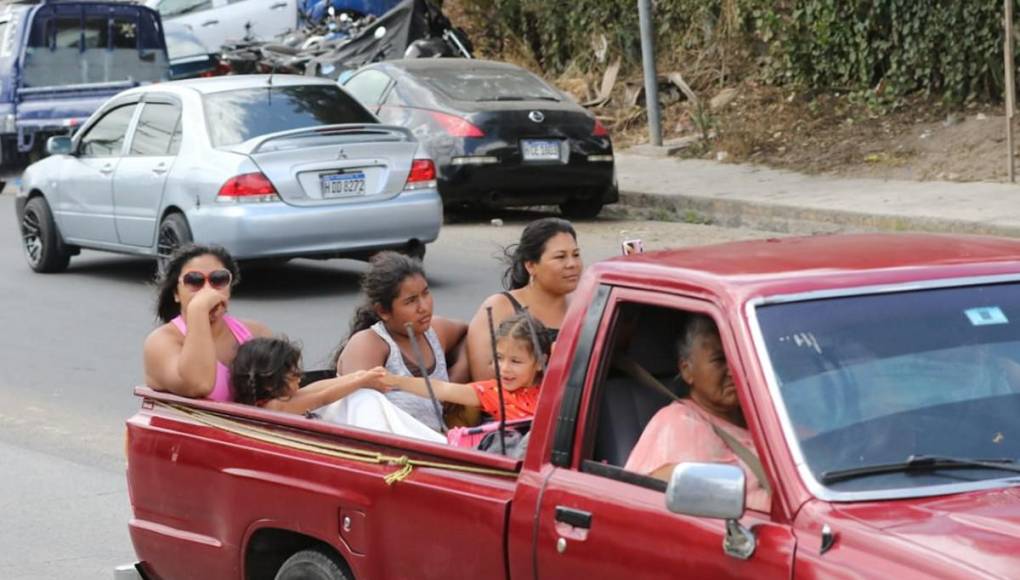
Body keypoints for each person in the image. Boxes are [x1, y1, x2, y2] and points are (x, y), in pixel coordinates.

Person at [625, 314, 771, 512]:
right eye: (719, 360)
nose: (733, 370)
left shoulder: (763, 414)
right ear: (687, 370)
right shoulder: (676, 423)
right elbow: (654, 499)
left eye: (738, 358)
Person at [334, 251, 469, 432]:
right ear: (383, 311)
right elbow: (362, 414)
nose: (424, 307)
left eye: (426, 293)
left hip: (438, 443)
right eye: (411, 301)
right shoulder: (370, 344)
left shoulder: (435, 332)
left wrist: (459, 373)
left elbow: (470, 335)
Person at [143, 244, 271, 400]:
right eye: (194, 281)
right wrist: (198, 310)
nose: (208, 290)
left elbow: (284, 392)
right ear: (176, 293)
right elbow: (198, 385)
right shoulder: (160, 342)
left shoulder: (256, 333)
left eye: (218, 279)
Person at [465, 217, 582, 381]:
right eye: (560, 257)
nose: (572, 264)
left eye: (576, 255)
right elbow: (486, 380)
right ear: (531, 266)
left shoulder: (584, 305)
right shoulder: (500, 307)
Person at [382, 312, 551, 422]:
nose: (504, 368)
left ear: (539, 362)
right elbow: (442, 389)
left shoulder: (554, 389)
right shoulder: (492, 392)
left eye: (516, 361)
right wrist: (396, 381)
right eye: (499, 358)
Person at [230, 336, 387, 414]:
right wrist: (360, 382)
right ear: (270, 383)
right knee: (365, 398)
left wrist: (357, 376)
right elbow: (321, 397)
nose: (300, 377)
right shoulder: (273, 407)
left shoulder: (275, 398)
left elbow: (312, 389)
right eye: (294, 374)